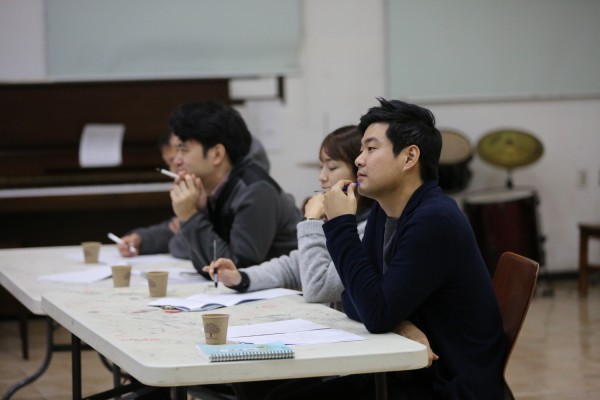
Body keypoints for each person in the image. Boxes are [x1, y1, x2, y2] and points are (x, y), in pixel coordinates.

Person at [272, 98, 506, 400]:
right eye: (361, 150)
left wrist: (341, 224)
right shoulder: (385, 211)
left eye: (371, 149)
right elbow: (355, 297)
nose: (359, 160)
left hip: (448, 384)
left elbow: (374, 312)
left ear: (409, 157)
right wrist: (401, 324)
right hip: (409, 368)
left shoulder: (435, 220)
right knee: (278, 393)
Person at [203, 125, 373, 305]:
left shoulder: (369, 229)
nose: (321, 177)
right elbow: (294, 266)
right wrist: (241, 277)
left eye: (331, 167)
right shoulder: (334, 218)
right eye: (320, 167)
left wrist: (311, 220)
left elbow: (318, 289)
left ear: (359, 171)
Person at [168, 101, 300, 276]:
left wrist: (190, 217)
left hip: (289, 290)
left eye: (184, 150)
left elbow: (236, 271)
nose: (177, 160)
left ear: (217, 154)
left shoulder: (255, 191)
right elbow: (205, 265)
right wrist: (199, 212)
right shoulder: (214, 191)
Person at [116, 127, 272, 258]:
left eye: (179, 158)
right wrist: (142, 239)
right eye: (171, 162)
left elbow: (186, 247)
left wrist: (187, 224)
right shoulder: (212, 191)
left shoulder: (249, 194)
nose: (174, 170)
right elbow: (174, 227)